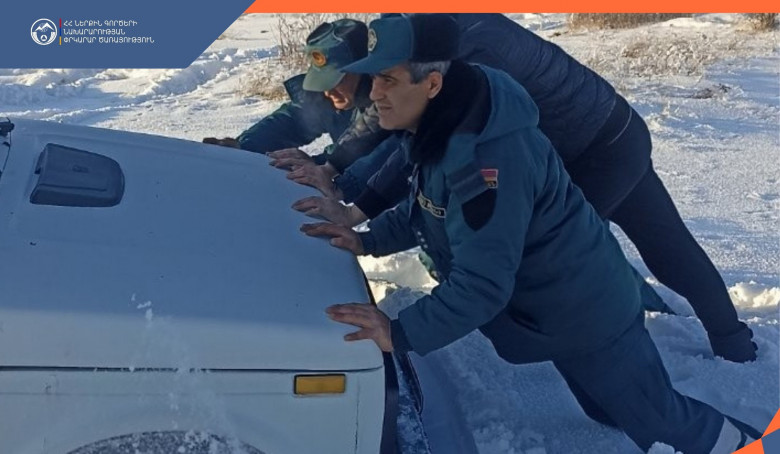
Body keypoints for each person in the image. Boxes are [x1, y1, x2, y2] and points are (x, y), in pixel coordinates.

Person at [301, 14, 760, 453]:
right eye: (373, 79)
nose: (374, 94)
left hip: (586, 310)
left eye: (388, 80)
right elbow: (428, 206)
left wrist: (398, 333)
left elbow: (481, 285)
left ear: (433, 84)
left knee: (664, 424)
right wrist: (367, 239)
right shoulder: (443, 122)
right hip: (555, 312)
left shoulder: (483, 165)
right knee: (606, 409)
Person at [202, 18, 395, 200]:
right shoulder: (331, 97)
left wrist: (322, 168)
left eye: (337, 80)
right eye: (323, 82)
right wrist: (243, 147)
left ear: (364, 70)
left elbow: (382, 155)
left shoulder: (395, 106)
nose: (328, 92)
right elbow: (293, 121)